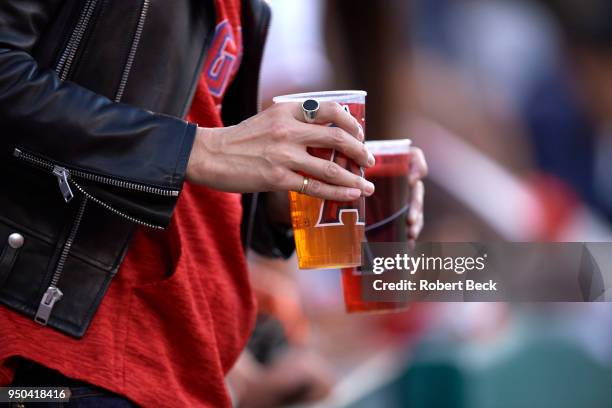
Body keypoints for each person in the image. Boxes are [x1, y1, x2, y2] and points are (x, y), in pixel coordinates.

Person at [0, 1, 427, 407]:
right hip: (64, 363)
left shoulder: (245, 9)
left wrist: (306, 191)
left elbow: (198, 181)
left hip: (181, 366)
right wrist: (200, 150)